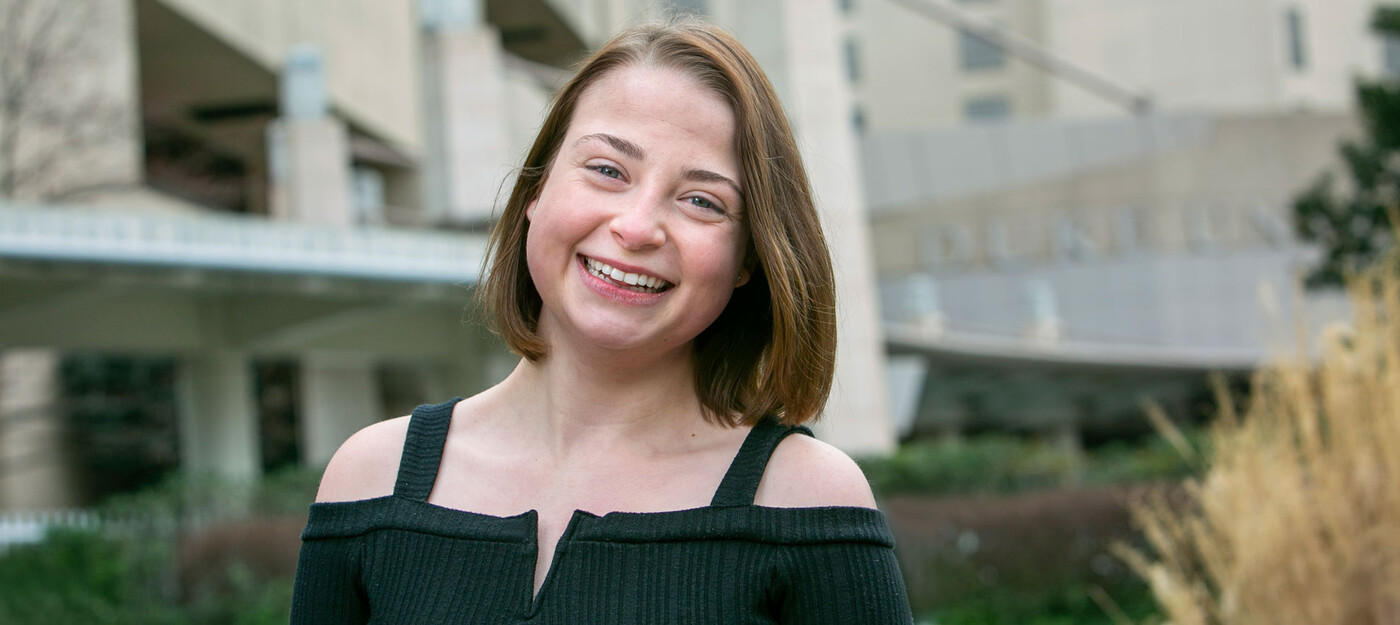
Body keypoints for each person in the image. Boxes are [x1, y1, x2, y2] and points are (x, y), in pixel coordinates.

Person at [290, 18, 914, 624]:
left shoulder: (805, 501)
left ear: (748, 257)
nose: (637, 228)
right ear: (534, 193)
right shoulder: (371, 481)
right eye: (608, 170)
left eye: (702, 201)